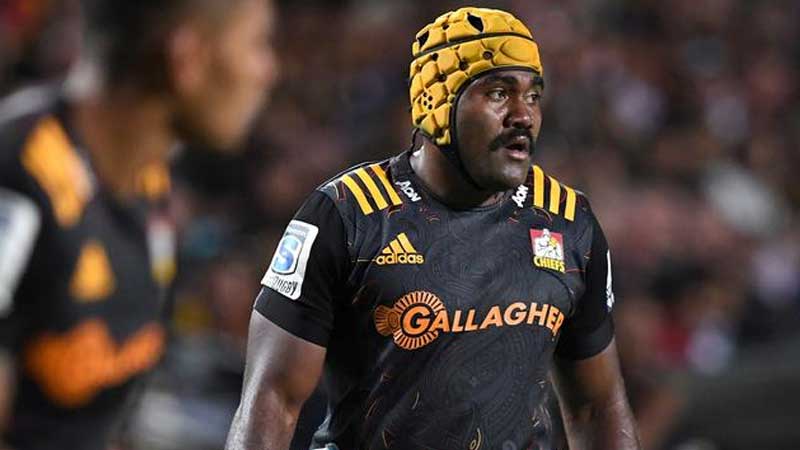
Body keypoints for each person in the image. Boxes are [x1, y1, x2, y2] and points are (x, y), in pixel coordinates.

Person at [227, 7, 639, 450]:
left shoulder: (567, 221)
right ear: (435, 102)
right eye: (499, 93)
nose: (523, 114)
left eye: (533, 96)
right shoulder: (346, 213)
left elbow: (596, 406)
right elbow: (274, 398)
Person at [0, 0, 276, 448]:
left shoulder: (151, 191)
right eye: (256, 44)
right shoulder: (17, 174)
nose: (267, 71)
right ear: (187, 59)